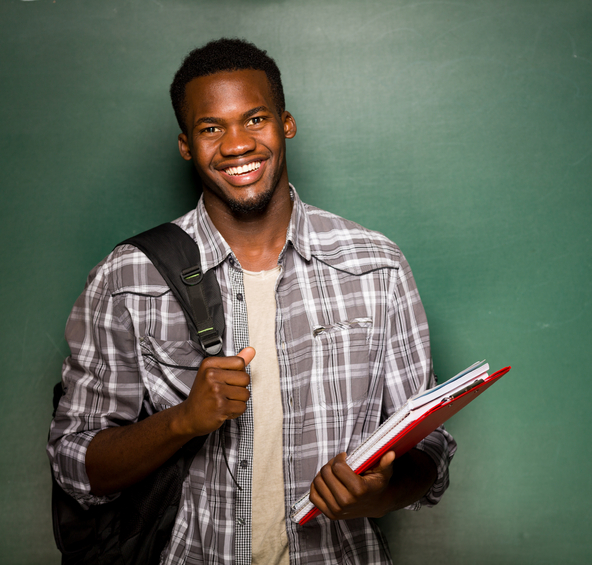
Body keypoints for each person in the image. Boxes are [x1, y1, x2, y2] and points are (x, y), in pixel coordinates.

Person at [47, 38, 456, 565]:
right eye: (211, 128)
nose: (237, 144)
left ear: (285, 124)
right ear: (185, 145)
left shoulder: (375, 266)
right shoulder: (128, 278)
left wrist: (378, 492)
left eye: (255, 119)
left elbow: (430, 454)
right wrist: (182, 420)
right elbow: (75, 463)